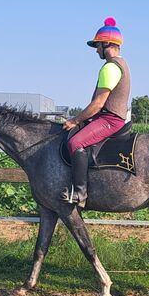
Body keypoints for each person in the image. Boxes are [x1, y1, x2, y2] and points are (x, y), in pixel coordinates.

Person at [60, 17, 131, 207]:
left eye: (97, 46)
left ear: (107, 43)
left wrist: (74, 121)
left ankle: (80, 193)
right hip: (108, 117)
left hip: (110, 119)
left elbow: (98, 104)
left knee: (75, 142)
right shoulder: (122, 63)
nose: (97, 50)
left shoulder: (110, 67)